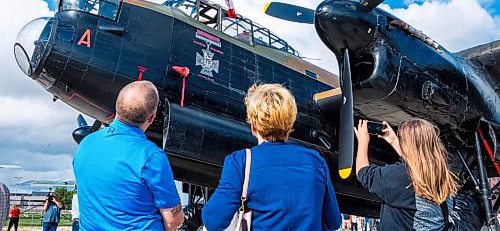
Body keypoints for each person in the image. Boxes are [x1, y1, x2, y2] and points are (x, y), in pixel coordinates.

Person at [202, 83, 342, 230]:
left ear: (253, 126)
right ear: (289, 124)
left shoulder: (240, 162)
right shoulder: (315, 161)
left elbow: (213, 220)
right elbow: (334, 221)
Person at [74, 81, 184, 231]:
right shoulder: (152, 156)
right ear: (152, 118)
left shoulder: (86, 144)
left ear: (117, 107)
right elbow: (173, 220)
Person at [355, 118, 458, 231]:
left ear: (407, 146)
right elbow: (415, 165)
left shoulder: (401, 177)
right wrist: (394, 141)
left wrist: (363, 142)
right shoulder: (442, 178)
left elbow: (363, 173)